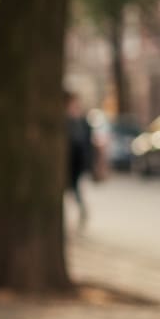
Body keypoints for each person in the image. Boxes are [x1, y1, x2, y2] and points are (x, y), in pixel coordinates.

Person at [65, 90, 94, 225]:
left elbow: (85, 144)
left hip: (76, 164)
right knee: (72, 190)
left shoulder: (81, 121)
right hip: (68, 163)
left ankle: (82, 213)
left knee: (74, 189)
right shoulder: (68, 120)